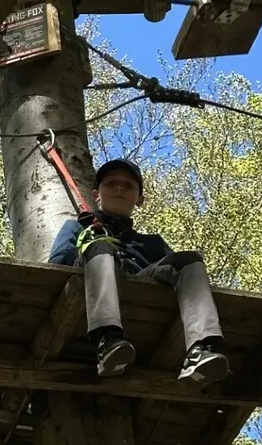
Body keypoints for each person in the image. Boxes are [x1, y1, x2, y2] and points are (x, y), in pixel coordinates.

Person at [49, 159, 229, 383]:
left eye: (129, 185)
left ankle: (201, 348)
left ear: (140, 199)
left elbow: (179, 277)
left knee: (189, 260)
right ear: (96, 194)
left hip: (140, 283)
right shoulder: (78, 228)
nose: (119, 188)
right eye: (111, 183)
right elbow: (56, 266)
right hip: (90, 284)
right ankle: (108, 341)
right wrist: (94, 246)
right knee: (101, 246)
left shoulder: (152, 244)